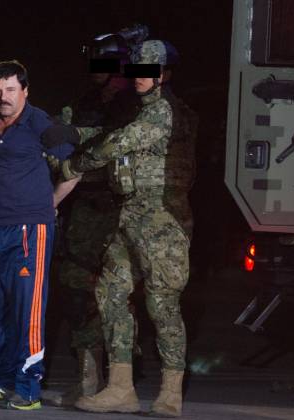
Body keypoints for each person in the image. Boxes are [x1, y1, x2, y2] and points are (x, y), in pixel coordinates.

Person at [59, 40, 198, 416]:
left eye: (147, 71)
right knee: (110, 292)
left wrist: (75, 164)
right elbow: (111, 131)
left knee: (162, 302)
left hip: (161, 222)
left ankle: (171, 393)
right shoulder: (140, 110)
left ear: (163, 74)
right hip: (128, 216)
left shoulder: (166, 110)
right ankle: (121, 387)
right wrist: (74, 135)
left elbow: (119, 141)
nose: (138, 77)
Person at [0, 60, 79, 411]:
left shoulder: (39, 122)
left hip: (29, 230)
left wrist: (50, 203)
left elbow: (75, 169)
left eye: (11, 89)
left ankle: (28, 388)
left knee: (26, 311)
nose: (4, 97)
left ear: (25, 91)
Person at [48, 43, 142, 407]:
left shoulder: (135, 105)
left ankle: (121, 380)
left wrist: (76, 140)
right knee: (77, 289)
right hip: (85, 207)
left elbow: (116, 141)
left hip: (121, 208)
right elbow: (59, 134)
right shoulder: (83, 102)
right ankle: (88, 378)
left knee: (119, 296)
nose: (97, 70)